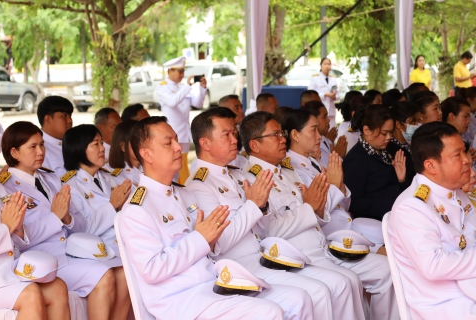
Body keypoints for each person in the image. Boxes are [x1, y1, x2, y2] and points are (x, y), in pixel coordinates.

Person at [119, 116, 312, 319]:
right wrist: (200, 238)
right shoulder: (137, 209)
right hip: (182, 299)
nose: (178, 147)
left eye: (176, 139)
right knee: (270, 312)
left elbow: (211, 245)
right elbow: (152, 269)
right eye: (168, 143)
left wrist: (209, 239)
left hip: (214, 283)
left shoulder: (183, 194)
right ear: (146, 155)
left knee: (298, 300)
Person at [186, 107, 360, 320]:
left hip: (268, 257)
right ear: (205, 143)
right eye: (227, 134)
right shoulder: (199, 185)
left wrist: (263, 208)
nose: (234, 139)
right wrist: (254, 206)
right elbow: (219, 242)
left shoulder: (238, 175)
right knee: (317, 292)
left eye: (234, 133)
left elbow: (264, 226)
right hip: (240, 267)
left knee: (340, 284)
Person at [239, 111, 399, 320]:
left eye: (281, 133)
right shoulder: (252, 178)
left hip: (321, 245)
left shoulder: (285, 171)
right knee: (344, 282)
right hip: (295, 256)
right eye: (275, 135)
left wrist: (329, 193)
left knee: (383, 272)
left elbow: (320, 212)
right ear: (255, 145)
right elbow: (269, 230)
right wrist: (313, 205)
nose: (282, 139)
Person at [0, 121, 126, 320]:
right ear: (14, 152)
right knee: (104, 275)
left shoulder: (50, 179)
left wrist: (66, 218)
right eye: (32, 147)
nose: (40, 151)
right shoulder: (6, 189)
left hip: (70, 253)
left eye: (41, 144)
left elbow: (80, 224)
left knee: (121, 271)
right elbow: (18, 238)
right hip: (40, 261)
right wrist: (56, 217)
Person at [389, 121, 476, 319]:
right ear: (431, 165)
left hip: (468, 287)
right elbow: (433, 266)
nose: (466, 160)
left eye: (465, 151)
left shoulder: (453, 191)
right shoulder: (412, 207)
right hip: (446, 304)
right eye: (457, 155)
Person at [0, 192, 71, 320]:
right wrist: (7, 227)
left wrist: (17, 228)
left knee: (57, 288)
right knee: (30, 295)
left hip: (4, 273)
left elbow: (9, 234)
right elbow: (4, 228)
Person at [62, 124, 131, 256]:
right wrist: (112, 206)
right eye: (95, 144)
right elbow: (82, 231)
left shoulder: (109, 177)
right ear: (79, 149)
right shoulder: (70, 187)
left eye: (102, 142)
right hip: (100, 251)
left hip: (127, 243)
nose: (102, 148)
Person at [343, 105, 408, 221]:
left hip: (396, 216)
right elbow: (354, 202)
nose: (389, 137)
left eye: (391, 132)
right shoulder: (356, 159)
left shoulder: (388, 151)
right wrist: (391, 204)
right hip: (373, 225)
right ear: (366, 130)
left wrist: (401, 180)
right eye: (384, 133)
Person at [156, 56, 207, 184]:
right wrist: (187, 86)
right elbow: (172, 102)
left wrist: (202, 88)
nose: (182, 74)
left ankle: (185, 187)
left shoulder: (182, 88)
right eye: (179, 71)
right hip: (172, 134)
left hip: (184, 132)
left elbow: (198, 103)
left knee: (183, 165)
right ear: (170, 71)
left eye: (183, 71)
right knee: (175, 166)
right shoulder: (162, 87)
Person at [38, 96, 74, 177]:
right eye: (64, 116)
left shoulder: (75, 143)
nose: (70, 120)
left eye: (70, 116)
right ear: (48, 120)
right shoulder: (39, 148)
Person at [303, 101, 347, 165]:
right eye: (324, 117)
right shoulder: (310, 146)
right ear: (313, 119)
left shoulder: (326, 139)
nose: (328, 120)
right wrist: (337, 156)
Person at [388, 101, 418, 185]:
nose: (416, 125)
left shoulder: (409, 145)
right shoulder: (392, 150)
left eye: (416, 121)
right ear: (398, 124)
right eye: (412, 122)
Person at [108, 120, 142, 189]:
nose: (143, 145)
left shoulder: (149, 170)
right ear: (123, 146)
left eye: (144, 140)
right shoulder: (117, 178)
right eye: (137, 141)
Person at [308, 58, 338, 127]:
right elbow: (310, 94)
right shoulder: (315, 79)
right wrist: (324, 94)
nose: (327, 66)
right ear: (321, 65)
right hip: (320, 109)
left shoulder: (333, 79)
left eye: (329, 64)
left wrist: (334, 96)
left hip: (331, 110)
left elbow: (338, 95)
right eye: (325, 64)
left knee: (332, 131)